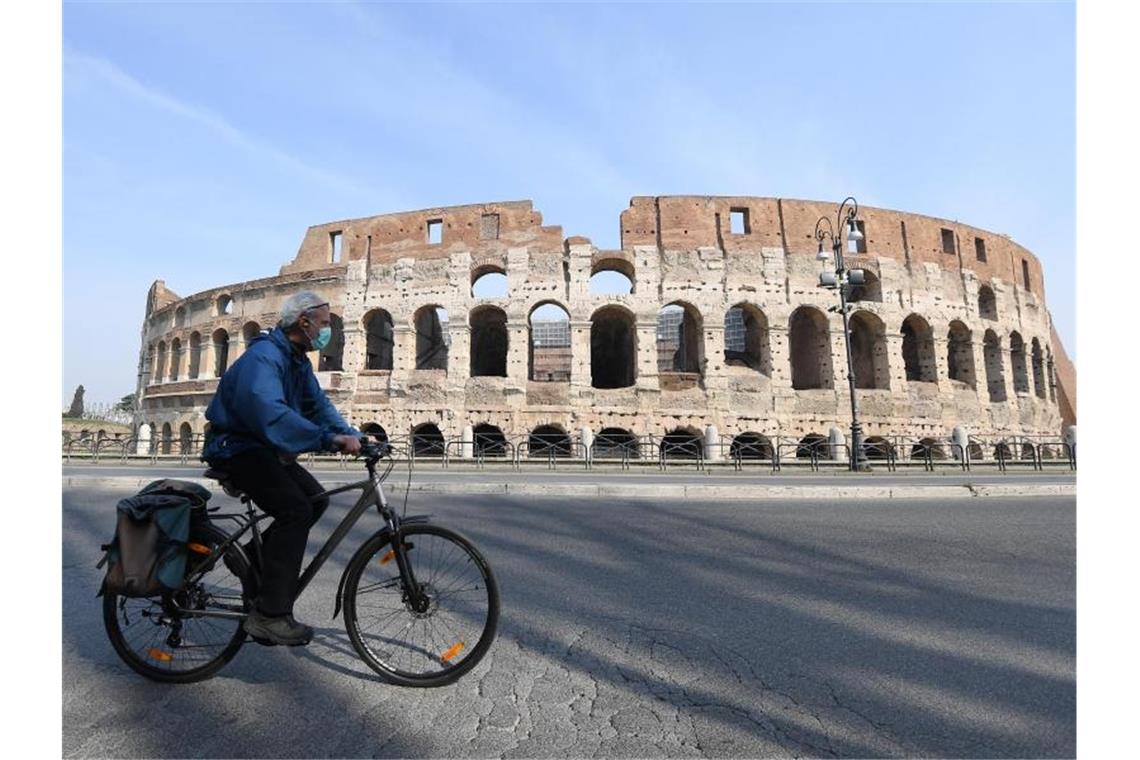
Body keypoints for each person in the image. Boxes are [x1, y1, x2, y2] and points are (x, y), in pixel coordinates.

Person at [202, 291, 362, 645]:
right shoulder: (265, 357)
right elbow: (270, 414)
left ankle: (249, 558)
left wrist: (352, 434)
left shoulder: (297, 360)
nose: (328, 331)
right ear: (303, 322)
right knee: (296, 510)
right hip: (236, 447)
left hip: (263, 447)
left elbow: (318, 405)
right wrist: (327, 440)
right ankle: (270, 615)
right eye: (324, 323)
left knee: (316, 499)